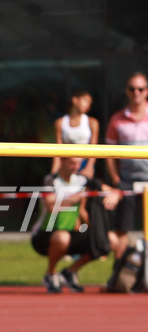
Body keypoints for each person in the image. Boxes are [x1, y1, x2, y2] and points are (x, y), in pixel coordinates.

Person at [31, 157, 120, 293]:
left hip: (73, 234)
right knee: (63, 237)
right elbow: (51, 206)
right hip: (45, 234)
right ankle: (50, 274)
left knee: (110, 239)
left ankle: (70, 271)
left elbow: (114, 191)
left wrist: (115, 195)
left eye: (79, 163)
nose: (76, 167)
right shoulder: (51, 180)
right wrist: (75, 198)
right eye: (72, 163)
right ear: (62, 161)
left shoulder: (81, 180)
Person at [105, 72, 148, 259]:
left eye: (140, 88)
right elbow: (108, 154)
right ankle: (119, 276)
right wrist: (116, 180)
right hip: (127, 181)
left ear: (146, 91)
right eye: (132, 88)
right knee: (122, 229)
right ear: (127, 91)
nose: (136, 92)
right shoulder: (117, 119)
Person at [51, 90, 100, 178]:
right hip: (67, 166)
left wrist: (89, 167)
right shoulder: (60, 122)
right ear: (75, 100)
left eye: (89, 103)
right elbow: (57, 150)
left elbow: (94, 149)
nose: (87, 105)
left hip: (84, 164)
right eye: (85, 100)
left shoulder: (92, 122)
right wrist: (54, 172)